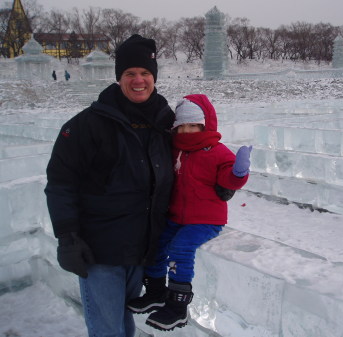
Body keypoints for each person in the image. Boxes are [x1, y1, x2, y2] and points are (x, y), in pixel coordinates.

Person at [44, 34, 175, 337]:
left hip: (145, 250)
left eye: (145, 73)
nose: (139, 80)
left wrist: (221, 184)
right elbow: (61, 183)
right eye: (130, 73)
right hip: (100, 253)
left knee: (125, 325)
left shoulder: (165, 123)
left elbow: (188, 168)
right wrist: (68, 237)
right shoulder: (86, 125)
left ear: (154, 77)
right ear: (119, 78)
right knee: (107, 330)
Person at [126, 94, 252, 331]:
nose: (187, 131)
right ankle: (155, 292)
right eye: (182, 126)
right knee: (156, 244)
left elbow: (228, 182)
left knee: (180, 248)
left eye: (192, 125)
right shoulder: (175, 150)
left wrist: (238, 172)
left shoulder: (217, 151)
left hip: (205, 220)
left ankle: (177, 306)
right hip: (176, 216)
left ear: (204, 125)